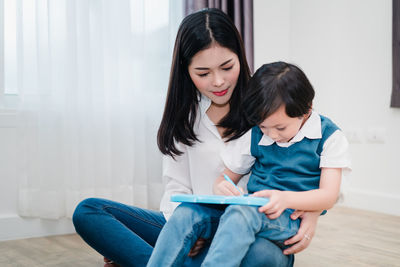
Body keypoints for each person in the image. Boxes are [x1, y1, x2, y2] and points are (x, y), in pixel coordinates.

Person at [72, 9, 320, 267]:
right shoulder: (184, 118)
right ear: (186, 71)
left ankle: (155, 260)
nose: (218, 81)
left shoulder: (269, 108)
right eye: (203, 73)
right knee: (89, 211)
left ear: (240, 57)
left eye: (227, 67)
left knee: (264, 256)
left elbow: (313, 165)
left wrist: (314, 211)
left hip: (251, 232)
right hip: (191, 224)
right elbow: (176, 190)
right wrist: (189, 231)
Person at [147, 61, 351, 267]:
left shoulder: (329, 137)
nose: (271, 134)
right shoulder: (254, 135)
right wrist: (221, 185)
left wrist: (285, 199)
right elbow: (225, 177)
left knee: (242, 213)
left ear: (307, 110)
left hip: (286, 218)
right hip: (247, 211)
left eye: (280, 127)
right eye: (264, 126)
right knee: (186, 212)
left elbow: (328, 196)